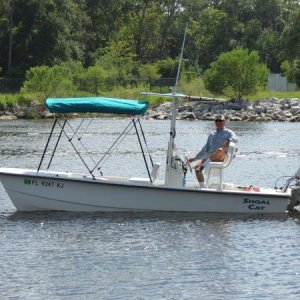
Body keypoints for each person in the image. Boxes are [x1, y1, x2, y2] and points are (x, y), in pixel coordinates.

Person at [189, 114, 238, 187]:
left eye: (220, 121)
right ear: (215, 122)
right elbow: (205, 150)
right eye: (217, 121)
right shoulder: (212, 134)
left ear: (224, 122)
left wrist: (228, 140)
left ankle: (203, 166)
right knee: (197, 169)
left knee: (220, 150)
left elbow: (236, 138)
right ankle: (202, 188)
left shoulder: (229, 132)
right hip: (211, 157)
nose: (219, 122)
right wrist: (194, 159)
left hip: (222, 157)